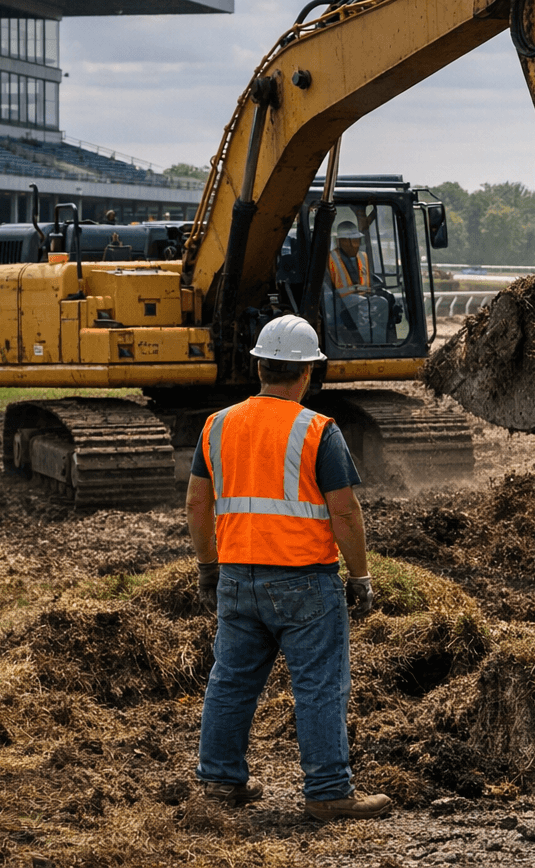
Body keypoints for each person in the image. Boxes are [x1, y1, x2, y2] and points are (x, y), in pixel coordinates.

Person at [187, 314, 391, 821]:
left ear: (259, 366)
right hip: (304, 583)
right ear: (306, 374)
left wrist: (208, 568)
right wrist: (361, 575)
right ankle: (327, 792)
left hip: (236, 577)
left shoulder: (218, 425)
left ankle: (218, 782)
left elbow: (196, 504)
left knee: (230, 681)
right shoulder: (318, 430)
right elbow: (343, 510)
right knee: (319, 686)